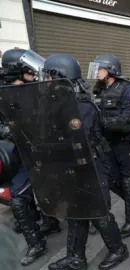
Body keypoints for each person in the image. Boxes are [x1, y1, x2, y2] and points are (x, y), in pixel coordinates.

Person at [37, 54, 128, 270]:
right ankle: (76, 258)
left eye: (50, 77)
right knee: (76, 213)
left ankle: (118, 249)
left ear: (61, 78)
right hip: (70, 167)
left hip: (90, 168)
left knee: (99, 212)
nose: (47, 81)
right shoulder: (60, 104)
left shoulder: (82, 106)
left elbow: (78, 141)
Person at [1, 48, 61, 266]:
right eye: (27, 68)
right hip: (17, 155)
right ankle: (36, 243)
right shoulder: (2, 93)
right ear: (15, 71)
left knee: (53, 190)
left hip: (42, 150)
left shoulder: (35, 89)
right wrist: (9, 129)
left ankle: (51, 220)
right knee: (18, 201)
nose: (33, 71)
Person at [89, 54, 130, 239]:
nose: (96, 72)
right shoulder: (100, 90)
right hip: (107, 144)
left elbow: (129, 118)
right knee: (112, 180)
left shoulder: (127, 89)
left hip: (126, 143)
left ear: (110, 70)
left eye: (100, 69)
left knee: (128, 181)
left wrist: (105, 123)